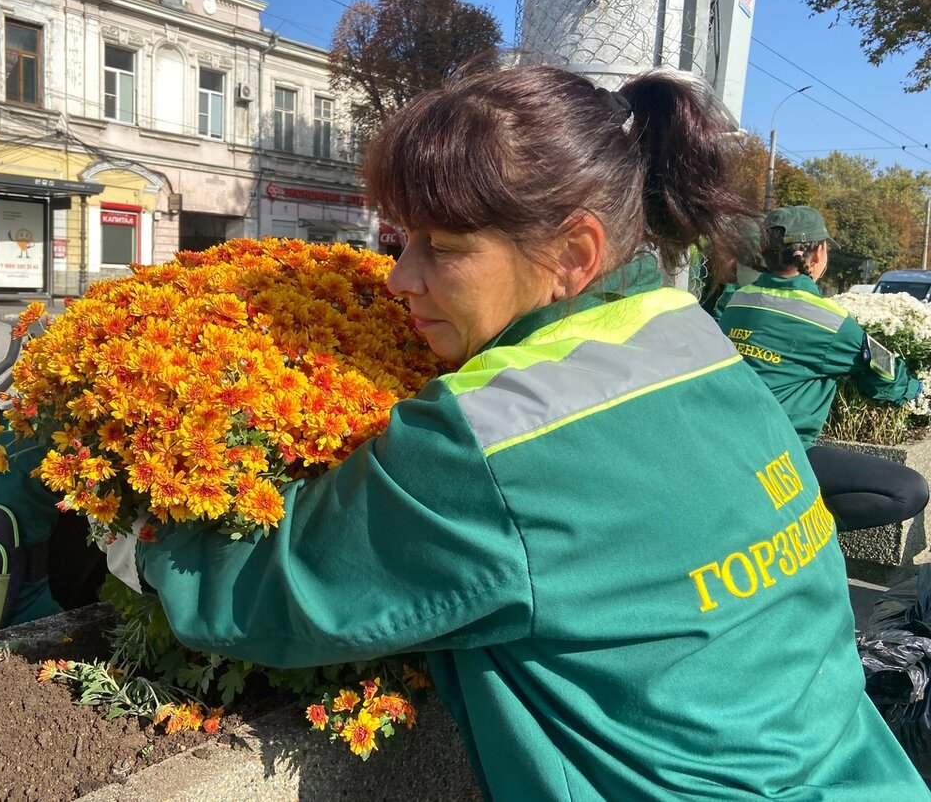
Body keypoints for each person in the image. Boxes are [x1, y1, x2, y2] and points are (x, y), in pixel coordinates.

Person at [116, 68, 926, 799]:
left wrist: (128, 519)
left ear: (575, 251)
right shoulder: (694, 337)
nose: (399, 277)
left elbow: (256, 590)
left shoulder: (494, 433)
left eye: (444, 247)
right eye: (399, 240)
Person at [719, 206, 928, 531]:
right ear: (817, 254)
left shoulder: (738, 300)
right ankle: (796, 534)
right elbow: (884, 374)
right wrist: (915, 390)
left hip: (725, 446)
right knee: (908, 491)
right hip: (781, 452)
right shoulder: (829, 321)